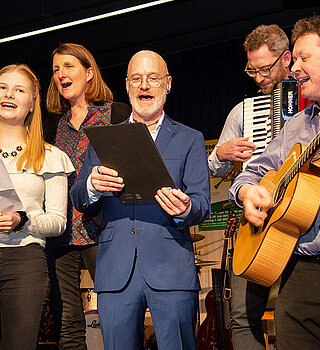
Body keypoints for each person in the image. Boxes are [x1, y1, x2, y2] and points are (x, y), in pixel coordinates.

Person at [70, 50, 211, 350]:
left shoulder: (190, 139)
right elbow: (79, 197)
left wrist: (185, 208)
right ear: (127, 85)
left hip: (171, 268)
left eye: (153, 78)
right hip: (115, 273)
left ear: (168, 84)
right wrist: (92, 186)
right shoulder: (104, 139)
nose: (144, 85)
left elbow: (202, 203)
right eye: (137, 79)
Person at [229, 16, 320, 349]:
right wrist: (247, 191)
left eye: (302, 58)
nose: (294, 68)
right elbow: (253, 173)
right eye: (293, 60)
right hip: (300, 279)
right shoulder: (297, 126)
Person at [208, 24, 291, 349]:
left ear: (286, 58)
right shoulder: (243, 111)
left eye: (265, 69)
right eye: (251, 70)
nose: (258, 78)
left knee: (292, 316)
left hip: (300, 219)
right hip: (254, 225)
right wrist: (220, 154)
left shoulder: (317, 103)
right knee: (242, 316)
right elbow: (210, 168)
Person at [44, 42, 130, 349]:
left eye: (68, 66)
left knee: (114, 315)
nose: (60, 74)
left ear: (89, 73)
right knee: (68, 321)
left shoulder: (117, 114)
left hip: (105, 230)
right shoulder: (51, 124)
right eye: (55, 69)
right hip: (62, 236)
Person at [0, 64, 74, 350]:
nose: (9, 94)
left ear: (32, 103)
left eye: (19, 90)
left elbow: (58, 221)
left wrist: (24, 220)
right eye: (3, 88)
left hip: (24, 264)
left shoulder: (50, 156)